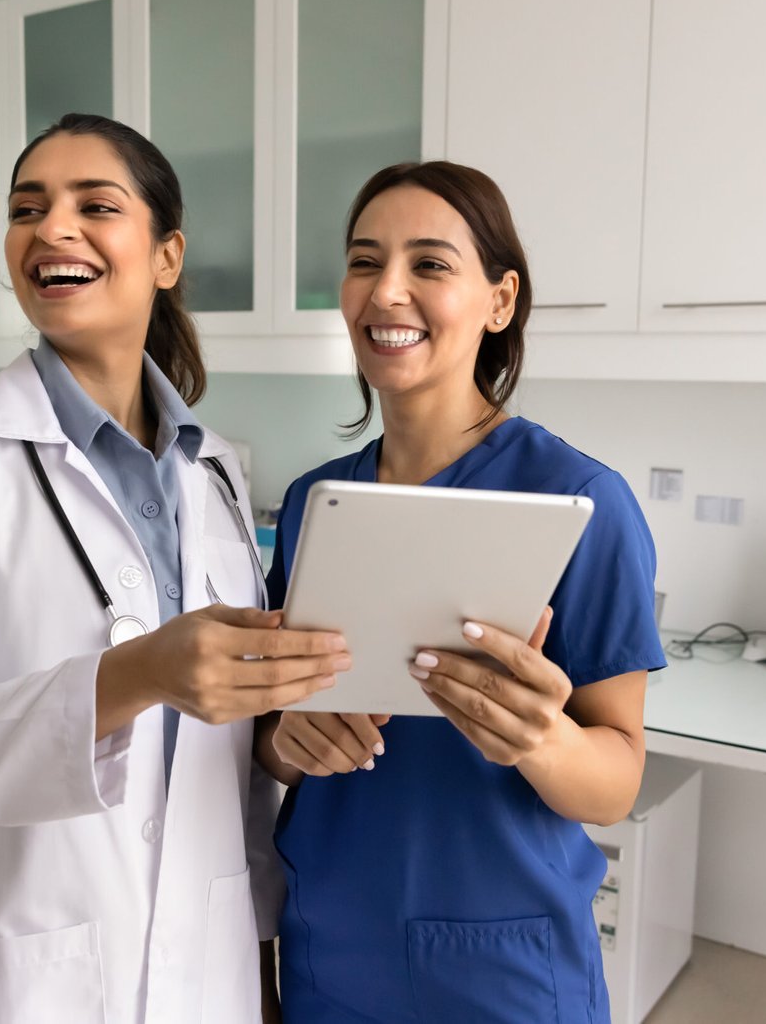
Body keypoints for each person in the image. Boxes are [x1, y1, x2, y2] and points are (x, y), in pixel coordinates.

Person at [0, 113, 347, 1024]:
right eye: (28, 208)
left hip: (211, 952)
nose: (50, 228)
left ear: (166, 255)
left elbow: (230, 752)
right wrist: (135, 675)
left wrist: (287, 737)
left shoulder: (215, 468)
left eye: (93, 205)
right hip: (28, 961)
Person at [255, 161, 665, 1023]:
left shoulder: (582, 503)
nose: (386, 291)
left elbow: (617, 779)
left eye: (430, 265)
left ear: (500, 300)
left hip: (500, 963)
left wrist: (541, 740)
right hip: (330, 942)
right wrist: (289, 741)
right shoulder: (312, 503)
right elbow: (272, 737)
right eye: (365, 261)